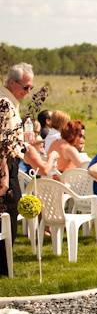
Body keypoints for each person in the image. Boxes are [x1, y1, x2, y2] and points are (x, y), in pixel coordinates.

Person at [0, 63, 34, 276]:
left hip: (11, 162)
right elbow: (2, 143)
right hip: (5, 165)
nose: (28, 92)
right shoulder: (4, 103)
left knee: (10, 213)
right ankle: (3, 268)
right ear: (12, 83)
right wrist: (3, 175)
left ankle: (4, 266)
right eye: (26, 87)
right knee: (8, 213)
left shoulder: (10, 102)